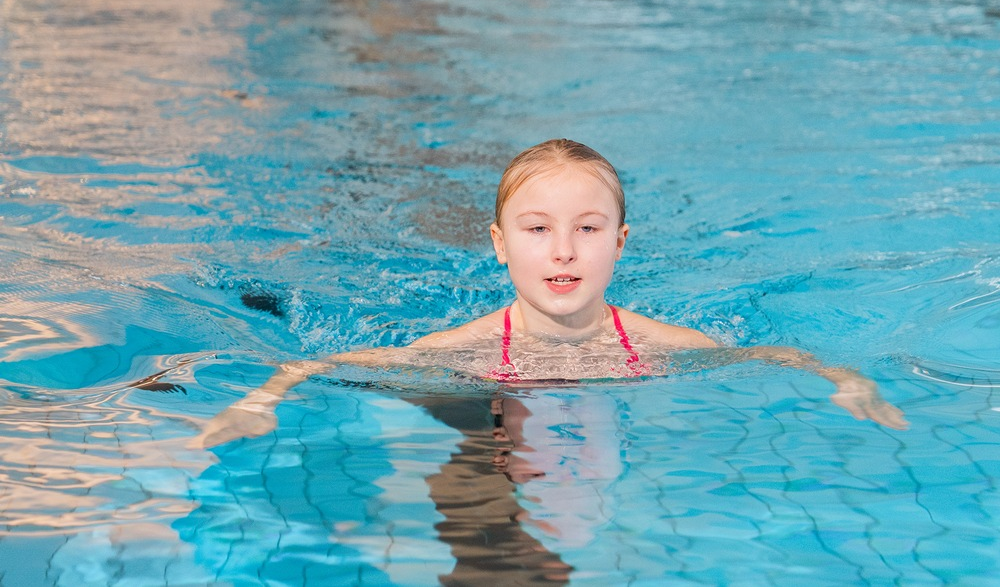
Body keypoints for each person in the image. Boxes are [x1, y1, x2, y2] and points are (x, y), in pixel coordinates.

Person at [194, 139, 907, 448]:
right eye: (536, 229)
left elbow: (776, 353)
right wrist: (263, 400)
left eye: (587, 228)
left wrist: (845, 379)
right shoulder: (462, 347)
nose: (563, 250)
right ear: (501, 245)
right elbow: (327, 359)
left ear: (620, 242)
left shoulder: (659, 342)